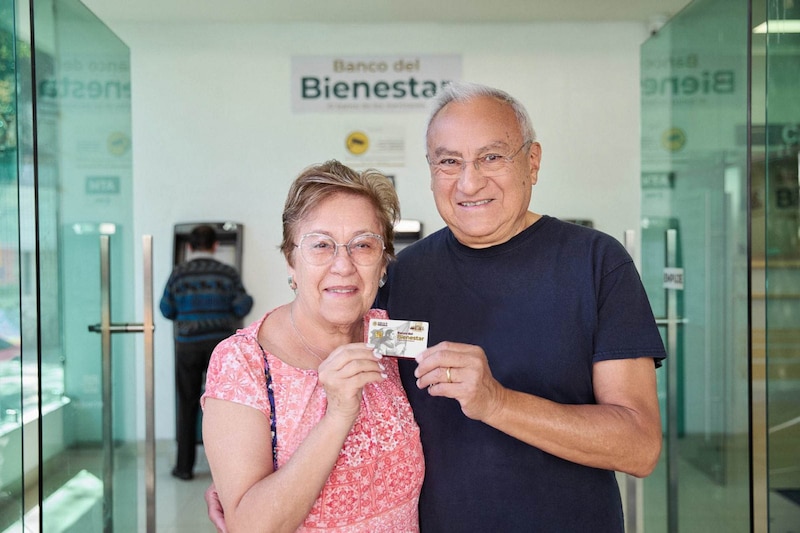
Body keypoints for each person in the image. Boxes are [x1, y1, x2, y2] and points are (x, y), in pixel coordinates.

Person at [206, 82, 665, 532]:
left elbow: (640, 447)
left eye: (492, 156)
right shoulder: (402, 277)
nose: (470, 181)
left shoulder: (596, 263)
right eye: (449, 161)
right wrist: (244, 487)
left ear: (533, 161)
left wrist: (497, 403)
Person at [201, 161, 424, 532]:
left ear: (383, 263)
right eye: (321, 245)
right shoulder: (241, 362)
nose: (343, 265)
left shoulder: (386, 333)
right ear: (291, 259)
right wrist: (337, 415)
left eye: (363, 245)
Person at [160, 224, 253, 480]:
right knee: (222, 406)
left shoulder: (179, 274)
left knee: (187, 403)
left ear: (189, 247)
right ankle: (223, 471)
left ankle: (184, 467)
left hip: (187, 345)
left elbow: (166, 309)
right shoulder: (227, 273)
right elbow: (243, 304)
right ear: (215, 246)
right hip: (219, 348)